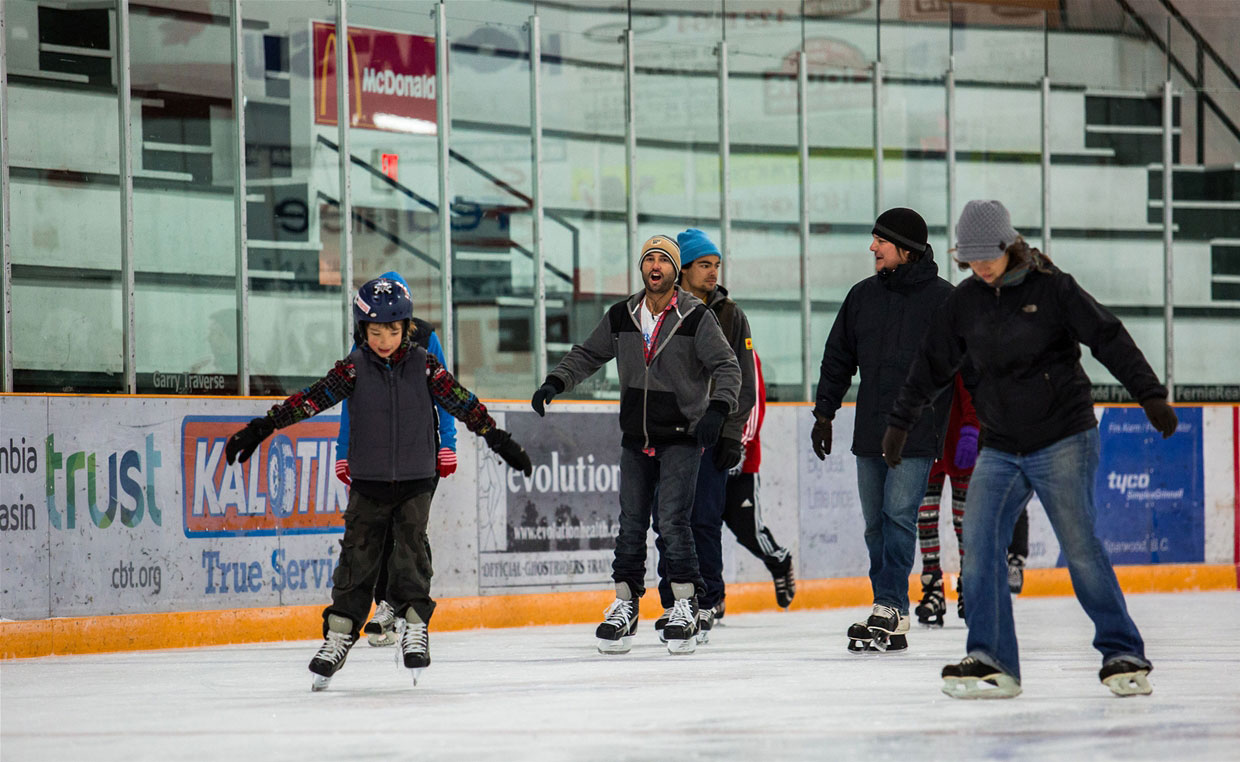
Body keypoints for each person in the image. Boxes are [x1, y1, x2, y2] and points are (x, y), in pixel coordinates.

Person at [884, 199, 1178, 699]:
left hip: (1062, 436)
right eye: (970, 258)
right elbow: (931, 365)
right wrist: (900, 423)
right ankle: (992, 660)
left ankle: (1121, 651)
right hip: (1001, 445)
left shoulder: (1052, 287)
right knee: (979, 548)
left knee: (1081, 548)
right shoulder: (965, 301)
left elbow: (1107, 336)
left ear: (1008, 245)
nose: (979, 266)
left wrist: (1149, 393)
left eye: (987, 256)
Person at [224, 276, 533, 691]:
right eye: (375, 332)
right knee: (357, 558)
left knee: (410, 553)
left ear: (406, 329)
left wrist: (497, 438)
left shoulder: (425, 364)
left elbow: (461, 401)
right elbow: (312, 398)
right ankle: (338, 634)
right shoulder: (353, 368)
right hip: (368, 480)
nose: (384, 340)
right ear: (361, 331)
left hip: (416, 478)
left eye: (392, 330)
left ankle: (414, 626)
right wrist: (262, 427)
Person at [529, 234, 741, 655]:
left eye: (664, 260)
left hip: (681, 436)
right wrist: (555, 382)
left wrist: (719, 410)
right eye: (649, 260)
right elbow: (588, 354)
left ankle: (685, 603)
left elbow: (727, 365)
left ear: (675, 270)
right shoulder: (623, 314)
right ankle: (625, 605)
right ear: (642, 268)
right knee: (630, 525)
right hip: (636, 438)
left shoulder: (694, 316)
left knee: (673, 522)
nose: (656, 266)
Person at [810, 207, 955, 654]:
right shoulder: (862, 297)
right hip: (870, 429)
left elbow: (961, 367)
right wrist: (824, 413)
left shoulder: (943, 300)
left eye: (880, 241)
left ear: (905, 250)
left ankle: (891, 604)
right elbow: (838, 358)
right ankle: (886, 608)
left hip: (915, 433)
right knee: (875, 523)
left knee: (898, 516)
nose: (872, 248)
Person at [330, 271, 459, 647]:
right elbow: (353, 403)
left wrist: (447, 442)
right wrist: (344, 450)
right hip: (375, 456)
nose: (384, 332)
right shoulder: (365, 345)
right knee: (379, 531)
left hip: (420, 453)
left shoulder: (425, 337)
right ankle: (387, 604)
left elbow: (445, 393)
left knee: (409, 532)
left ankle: (400, 604)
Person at [649, 229, 755, 644]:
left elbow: (742, 381)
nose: (713, 273)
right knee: (667, 519)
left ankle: (707, 599)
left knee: (704, 521)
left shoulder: (731, 316)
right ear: (684, 269)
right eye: (704, 265)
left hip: (709, 435)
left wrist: (731, 433)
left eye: (716, 265)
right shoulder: (656, 310)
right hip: (666, 434)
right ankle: (674, 600)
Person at [721, 351, 795, 615]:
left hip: (741, 462)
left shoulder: (744, 349)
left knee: (746, 528)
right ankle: (712, 596)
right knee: (702, 529)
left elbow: (753, 403)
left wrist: (739, 447)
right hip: (705, 461)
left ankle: (779, 561)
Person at [914, 374, 977, 627]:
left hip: (959, 438)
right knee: (925, 518)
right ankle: (932, 587)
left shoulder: (959, 347)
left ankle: (969, 588)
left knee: (964, 522)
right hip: (927, 441)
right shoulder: (923, 350)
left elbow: (972, 392)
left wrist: (972, 429)